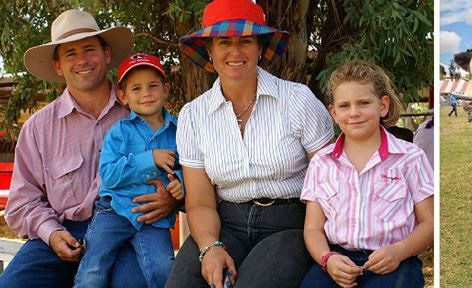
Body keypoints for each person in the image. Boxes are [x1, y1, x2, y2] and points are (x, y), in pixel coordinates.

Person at [0, 9, 177, 288]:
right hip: (64, 229)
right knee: (13, 284)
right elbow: (22, 203)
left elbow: (183, 168)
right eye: (70, 53)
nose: (82, 60)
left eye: (89, 49)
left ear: (106, 55)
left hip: (130, 222)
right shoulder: (38, 128)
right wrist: (51, 233)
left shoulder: (144, 111)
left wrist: (172, 199)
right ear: (58, 66)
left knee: (133, 283)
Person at [165, 0, 335, 287]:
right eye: (224, 42)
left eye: (245, 41)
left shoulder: (297, 100)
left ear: (259, 47)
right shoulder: (193, 115)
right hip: (225, 222)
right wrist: (210, 247)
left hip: (290, 223)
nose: (235, 51)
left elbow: (331, 181)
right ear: (210, 50)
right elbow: (201, 201)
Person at [299, 59, 434, 288]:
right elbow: (312, 228)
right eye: (344, 106)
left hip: (394, 260)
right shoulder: (322, 162)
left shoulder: (410, 158)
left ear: (382, 106)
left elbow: (429, 222)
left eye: (363, 103)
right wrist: (327, 259)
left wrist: (399, 251)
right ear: (333, 112)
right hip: (337, 260)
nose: (354, 113)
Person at [74, 53, 182, 288]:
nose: (146, 93)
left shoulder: (179, 132)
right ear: (123, 96)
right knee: (94, 266)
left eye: (153, 86)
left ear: (166, 89)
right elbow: (109, 175)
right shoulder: (119, 132)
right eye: (136, 88)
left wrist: (179, 184)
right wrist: (149, 159)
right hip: (115, 210)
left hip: (156, 218)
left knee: (163, 267)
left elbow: (188, 168)